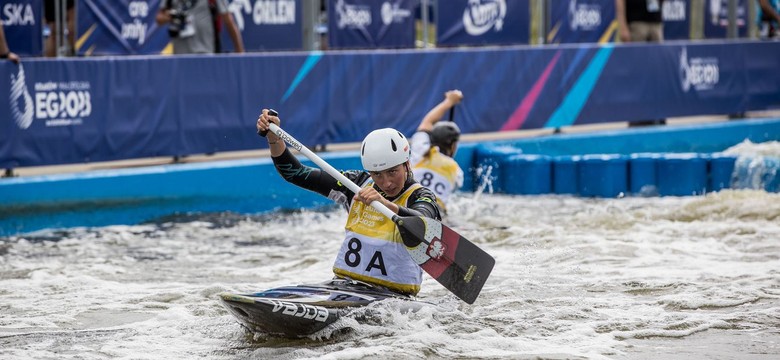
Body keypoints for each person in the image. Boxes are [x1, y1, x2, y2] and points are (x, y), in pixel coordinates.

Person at [256, 109, 442, 296]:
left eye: (393, 172)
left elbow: (424, 223)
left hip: (393, 296)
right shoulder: (355, 185)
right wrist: (273, 137)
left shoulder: (421, 196)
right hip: (345, 287)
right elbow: (294, 173)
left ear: (407, 164)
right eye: (377, 174)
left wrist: (385, 204)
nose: (386, 182)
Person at [409, 90, 464, 213]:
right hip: (436, 212)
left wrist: (449, 101)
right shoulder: (456, 171)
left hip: (410, 205)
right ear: (453, 146)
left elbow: (427, 122)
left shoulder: (420, 151)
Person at [615, 0, 666, 126]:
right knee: (637, 71)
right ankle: (636, 115)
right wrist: (623, 26)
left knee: (657, 71)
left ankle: (657, 113)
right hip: (636, 23)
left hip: (655, 23)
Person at [156, 0, 244, 54]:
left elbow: (228, 20)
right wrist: (171, 16)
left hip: (206, 52)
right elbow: (159, 18)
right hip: (180, 54)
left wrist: (239, 52)